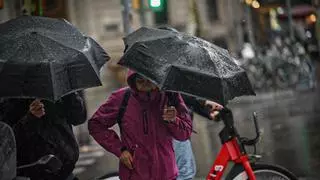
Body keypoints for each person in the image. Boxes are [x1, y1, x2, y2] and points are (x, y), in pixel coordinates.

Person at [88, 70, 193, 180]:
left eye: (150, 79)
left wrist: (173, 120)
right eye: (140, 80)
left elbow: (185, 133)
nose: (145, 83)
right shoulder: (122, 98)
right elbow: (96, 125)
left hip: (167, 174)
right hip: (135, 174)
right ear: (133, 79)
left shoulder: (170, 96)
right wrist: (120, 150)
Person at [0, 91, 87, 180]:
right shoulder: (10, 99)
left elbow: (79, 118)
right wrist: (31, 118)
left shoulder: (56, 89)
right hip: (35, 174)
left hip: (67, 171)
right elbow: (9, 142)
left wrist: (70, 95)